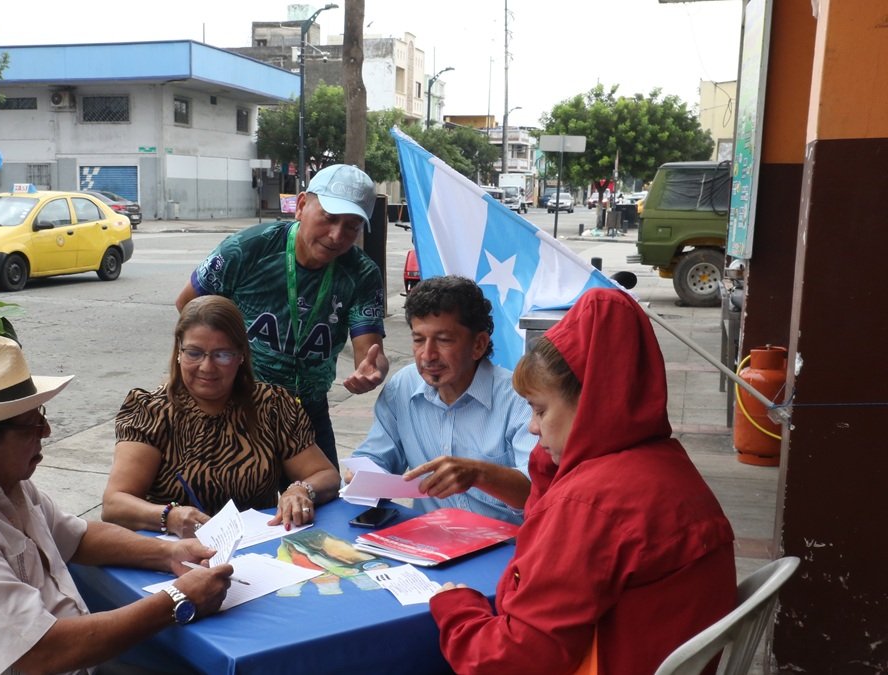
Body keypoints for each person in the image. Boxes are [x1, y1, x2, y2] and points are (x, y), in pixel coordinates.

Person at [0, 333, 233, 674]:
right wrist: (177, 601)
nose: (47, 432)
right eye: (31, 426)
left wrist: (168, 554)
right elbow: (41, 654)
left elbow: (78, 536)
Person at [429, 289, 736, 674]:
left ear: (592, 402)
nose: (533, 427)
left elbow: (510, 661)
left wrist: (455, 607)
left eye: (540, 410)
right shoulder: (663, 462)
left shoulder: (591, 502)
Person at [174, 163, 389, 467]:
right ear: (301, 206)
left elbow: (370, 352)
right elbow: (188, 305)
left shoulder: (362, 273)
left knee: (321, 499)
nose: (337, 235)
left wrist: (374, 370)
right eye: (329, 218)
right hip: (239, 402)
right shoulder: (249, 248)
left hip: (308, 410)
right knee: (230, 505)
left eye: (352, 226)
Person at [103, 295, 340, 537]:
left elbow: (326, 475)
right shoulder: (152, 411)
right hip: (175, 553)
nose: (207, 367)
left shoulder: (272, 406)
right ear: (178, 352)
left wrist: (301, 490)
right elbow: (115, 504)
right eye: (194, 353)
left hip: (258, 547)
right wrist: (169, 517)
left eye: (222, 355)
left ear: (241, 356)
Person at [350, 275, 536, 525]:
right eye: (418, 340)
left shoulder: (520, 400)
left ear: (478, 345)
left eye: (444, 340)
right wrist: (362, 474)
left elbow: (539, 491)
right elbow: (377, 457)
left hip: (505, 547)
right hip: (428, 541)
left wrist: (479, 474)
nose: (427, 355)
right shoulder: (403, 387)